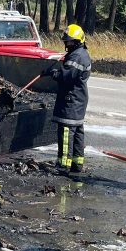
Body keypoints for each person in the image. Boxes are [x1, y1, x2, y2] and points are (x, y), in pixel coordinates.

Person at [44, 24, 91, 178]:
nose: (66, 44)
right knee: (78, 133)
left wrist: (53, 73)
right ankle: (77, 164)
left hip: (71, 101)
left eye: (69, 42)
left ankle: (63, 166)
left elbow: (67, 77)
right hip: (78, 99)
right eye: (66, 41)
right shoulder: (81, 53)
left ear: (78, 41)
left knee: (66, 133)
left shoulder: (77, 56)